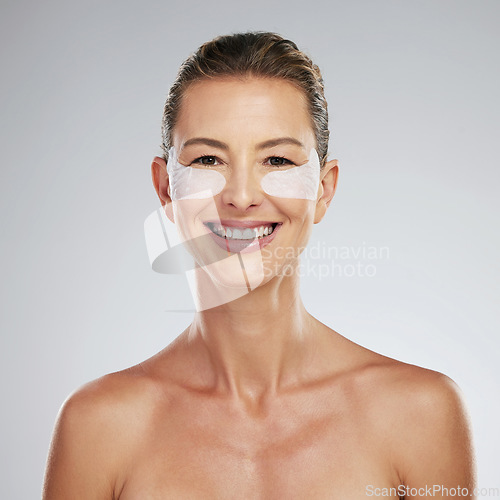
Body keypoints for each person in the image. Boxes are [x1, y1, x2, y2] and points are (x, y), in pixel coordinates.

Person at [43, 32, 475, 499]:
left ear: (323, 190)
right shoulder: (98, 427)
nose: (242, 197)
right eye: (208, 158)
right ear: (166, 189)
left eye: (277, 159)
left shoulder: (420, 414)